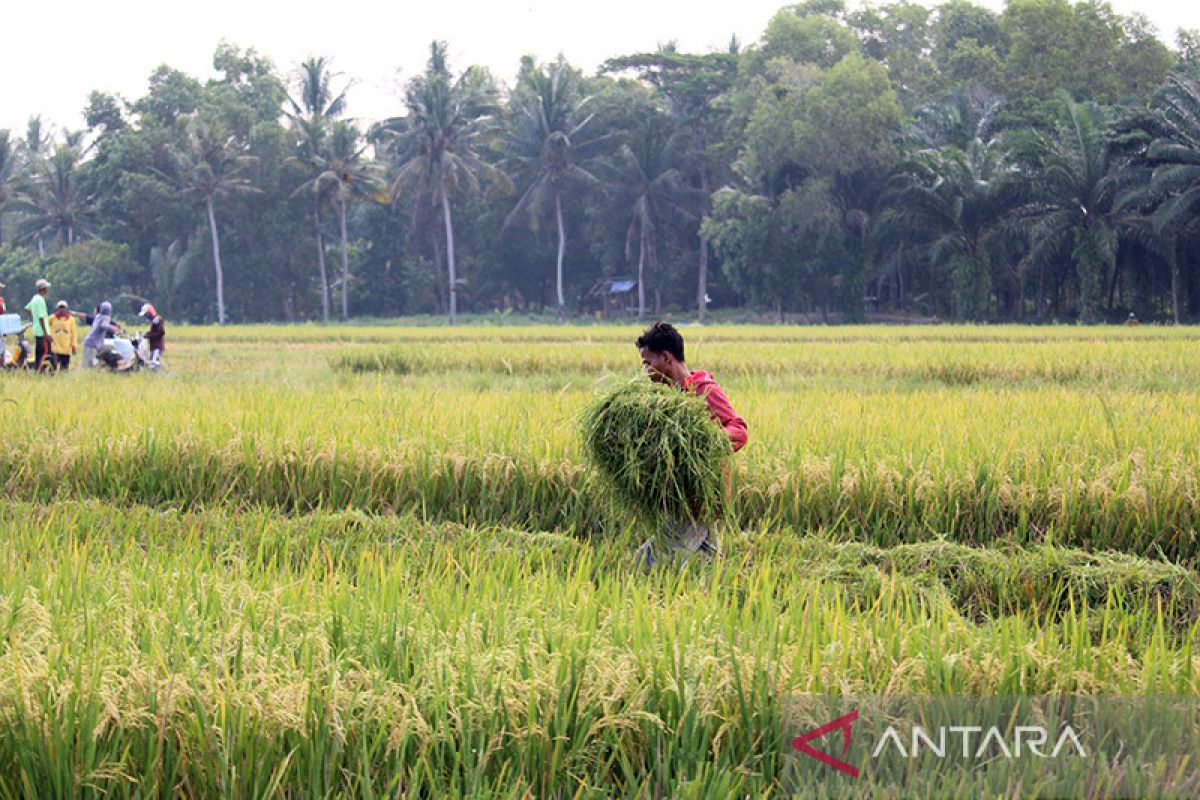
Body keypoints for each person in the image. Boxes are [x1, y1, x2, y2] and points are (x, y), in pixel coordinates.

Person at [634, 321, 748, 568]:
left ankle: (653, 596)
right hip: (685, 496)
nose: (646, 371)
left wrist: (703, 441)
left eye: (648, 363)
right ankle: (721, 590)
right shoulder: (668, 397)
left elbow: (738, 429)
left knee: (648, 561)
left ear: (666, 358)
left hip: (701, 498)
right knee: (706, 562)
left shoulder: (703, 390)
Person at [81, 301, 124, 369]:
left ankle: (102, 362)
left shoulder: (98, 316)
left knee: (111, 347)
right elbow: (104, 325)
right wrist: (114, 328)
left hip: (92, 342)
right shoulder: (105, 317)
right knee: (87, 365)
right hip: (92, 343)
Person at [24, 278, 52, 372]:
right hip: (42, 332)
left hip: (37, 330)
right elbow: (41, 318)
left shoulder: (34, 298)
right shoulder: (40, 300)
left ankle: (37, 370)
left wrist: (33, 318)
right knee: (45, 354)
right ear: (43, 289)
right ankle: (40, 371)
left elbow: (27, 308)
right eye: (46, 288)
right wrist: (46, 333)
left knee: (39, 353)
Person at [47, 300, 78, 371]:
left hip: (66, 348)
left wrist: (74, 345)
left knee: (64, 369)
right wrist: (47, 335)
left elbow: (73, 333)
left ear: (66, 308)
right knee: (52, 367)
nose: (62, 309)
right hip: (55, 348)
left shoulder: (71, 320)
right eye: (60, 307)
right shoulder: (52, 318)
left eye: (63, 307)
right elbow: (44, 325)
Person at [139, 303, 165, 369]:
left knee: (154, 364)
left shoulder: (157, 319)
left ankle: (158, 377)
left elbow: (161, 332)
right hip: (154, 346)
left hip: (157, 347)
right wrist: (146, 334)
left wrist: (148, 335)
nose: (146, 317)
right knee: (152, 363)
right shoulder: (154, 321)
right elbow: (154, 332)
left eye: (146, 315)